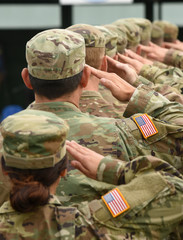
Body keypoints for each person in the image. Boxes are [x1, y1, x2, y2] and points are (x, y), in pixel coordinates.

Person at [21, 29, 183, 204]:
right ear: (85, 77)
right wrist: (137, 92)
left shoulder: (6, 137)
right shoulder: (123, 133)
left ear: (26, 79)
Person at [0, 109, 183, 239]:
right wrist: (110, 169)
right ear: (64, 170)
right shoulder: (90, 228)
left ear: (4, 171)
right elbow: (174, 187)